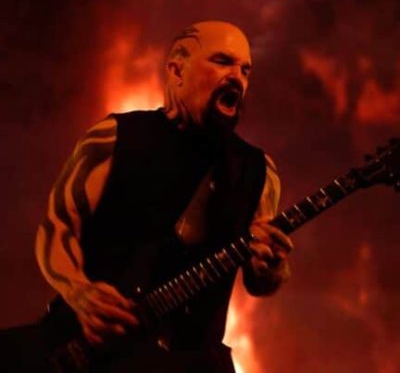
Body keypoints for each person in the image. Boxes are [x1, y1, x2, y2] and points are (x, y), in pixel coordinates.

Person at [34, 20, 293, 372]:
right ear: (177, 70)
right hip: (95, 354)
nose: (237, 77)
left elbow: (259, 281)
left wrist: (272, 267)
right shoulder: (113, 138)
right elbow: (58, 227)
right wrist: (80, 292)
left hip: (197, 362)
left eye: (245, 70)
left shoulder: (258, 171)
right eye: (222, 61)